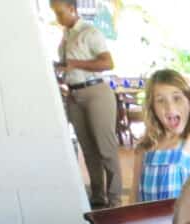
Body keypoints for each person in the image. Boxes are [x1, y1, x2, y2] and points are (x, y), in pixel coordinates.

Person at [133, 4, 190, 204]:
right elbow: (133, 198)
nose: (170, 107)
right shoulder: (144, 148)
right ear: (152, 108)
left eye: (177, 98)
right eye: (160, 100)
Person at [51, 0, 123, 208]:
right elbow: (70, 65)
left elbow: (108, 63)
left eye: (60, 12)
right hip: (74, 95)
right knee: (88, 150)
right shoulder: (66, 36)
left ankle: (115, 199)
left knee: (105, 148)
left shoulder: (90, 32)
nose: (58, 17)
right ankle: (98, 196)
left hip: (96, 93)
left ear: (72, 9)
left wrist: (75, 64)